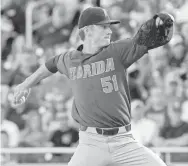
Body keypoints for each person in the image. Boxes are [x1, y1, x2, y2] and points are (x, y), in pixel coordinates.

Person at [13, 7, 174, 166]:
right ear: (88, 30)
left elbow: (143, 40)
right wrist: (26, 84)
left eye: (109, 27)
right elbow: (51, 64)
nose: (109, 31)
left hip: (124, 142)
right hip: (90, 144)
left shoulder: (117, 51)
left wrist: (160, 23)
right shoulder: (70, 60)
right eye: (104, 27)